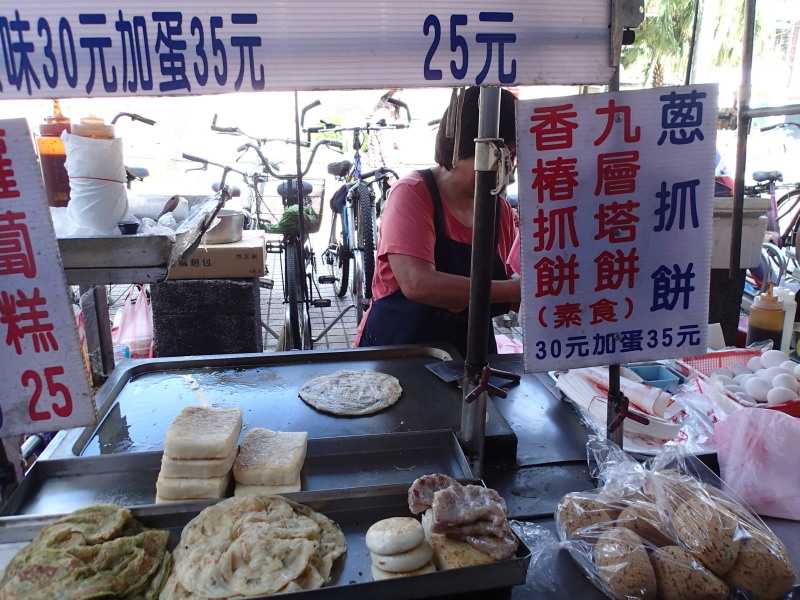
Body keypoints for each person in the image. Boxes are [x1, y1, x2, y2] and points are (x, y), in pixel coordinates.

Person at [356, 87, 520, 357]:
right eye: (497, 155)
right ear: (460, 145)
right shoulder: (412, 193)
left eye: (511, 156)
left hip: (470, 353)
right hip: (400, 353)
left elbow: (509, 289)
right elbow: (417, 283)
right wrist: (514, 290)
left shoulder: (500, 210)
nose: (506, 168)